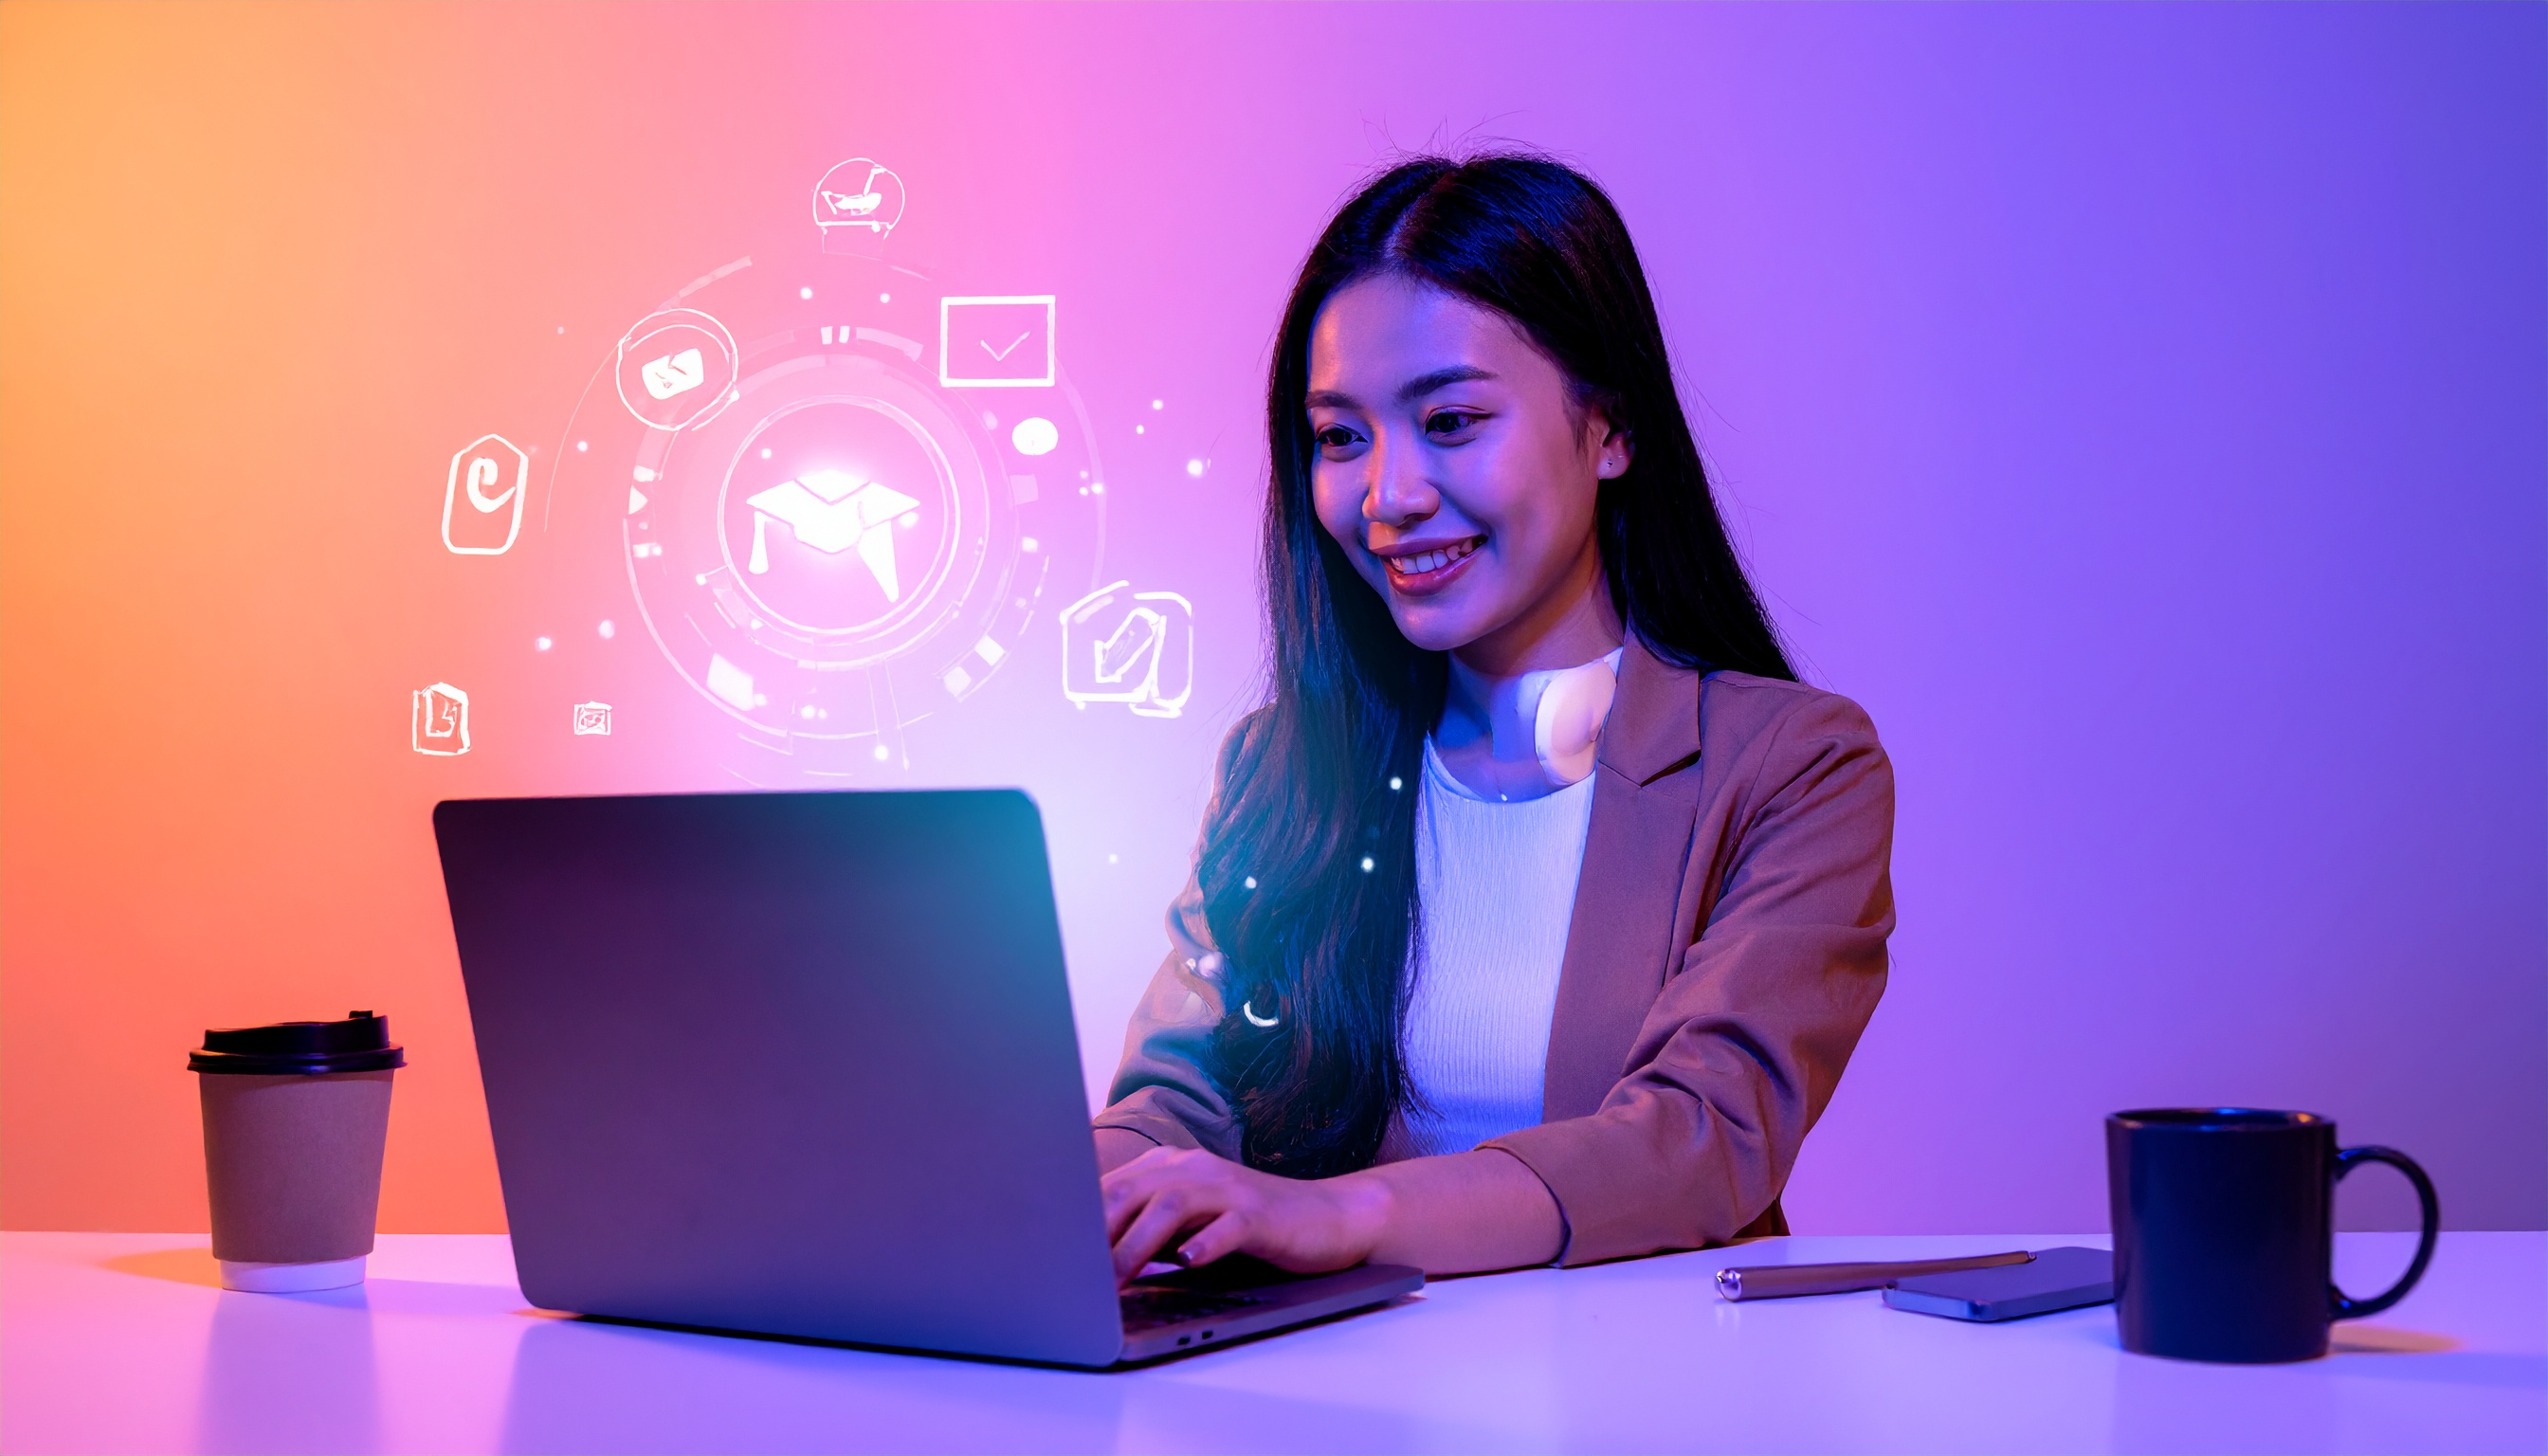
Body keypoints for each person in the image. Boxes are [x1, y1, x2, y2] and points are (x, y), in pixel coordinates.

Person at [1094, 154, 1894, 1282]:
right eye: (1340, 436)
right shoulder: (1285, 766)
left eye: (1453, 420)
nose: (1390, 494)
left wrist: (1341, 1217)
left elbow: (1698, 1140)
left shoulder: (1793, 766)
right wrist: (1082, 1186)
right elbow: (1181, 1095)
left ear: (1609, 429)